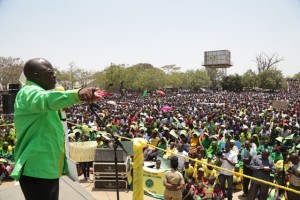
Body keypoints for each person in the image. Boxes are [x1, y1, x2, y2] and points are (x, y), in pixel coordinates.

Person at [11, 58, 104, 200]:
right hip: (37, 168)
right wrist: (77, 94)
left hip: (46, 168)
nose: (54, 76)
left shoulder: (38, 93)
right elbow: (45, 100)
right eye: (50, 73)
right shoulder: (28, 92)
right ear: (36, 76)